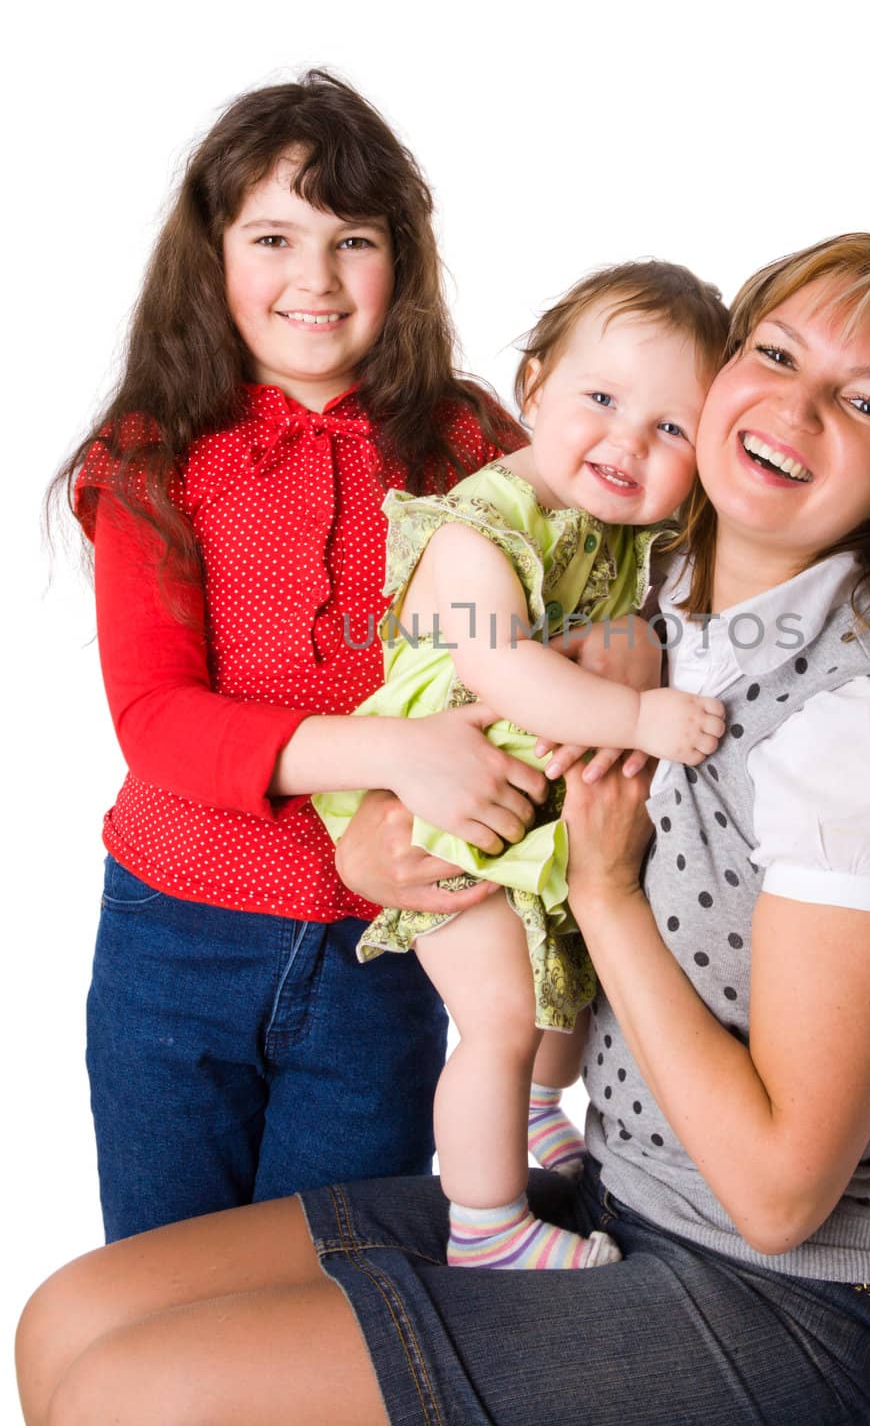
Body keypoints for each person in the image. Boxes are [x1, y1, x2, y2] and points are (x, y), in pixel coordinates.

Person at [19, 231, 870, 1425]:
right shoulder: (633, 598)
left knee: (140, 1394)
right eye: (776, 353)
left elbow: (782, 1199)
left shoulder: (864, 736)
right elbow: (469, 725)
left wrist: (605, 893)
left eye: (862, 400)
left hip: (806, 1302)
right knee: (69, 1320)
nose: (795, 407)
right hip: (631, 1197)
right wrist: (375, 842)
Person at [50, 69, 551, 1243]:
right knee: (163, 1292)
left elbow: (565, 618)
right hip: (174, 942)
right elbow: (159, 720)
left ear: (404, 262)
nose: (314, 280)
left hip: (386, 951)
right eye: (274, 237)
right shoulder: (154, 451)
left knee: (334, 1296)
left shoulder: (466, 443)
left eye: (353, 240)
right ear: (212, 253)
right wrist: (397, 753)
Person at [313, 261, 729, 1271]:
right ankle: (486, 1223)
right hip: (442, 811)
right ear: (533, 385)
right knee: (497, 1016)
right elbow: (502, 665)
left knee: (563, 986)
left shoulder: (624, 535)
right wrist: (639, 711)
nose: (629, 440)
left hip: (523, 810)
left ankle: (540, 1111)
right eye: (602, 399)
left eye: (672, 428)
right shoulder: (479, 524)